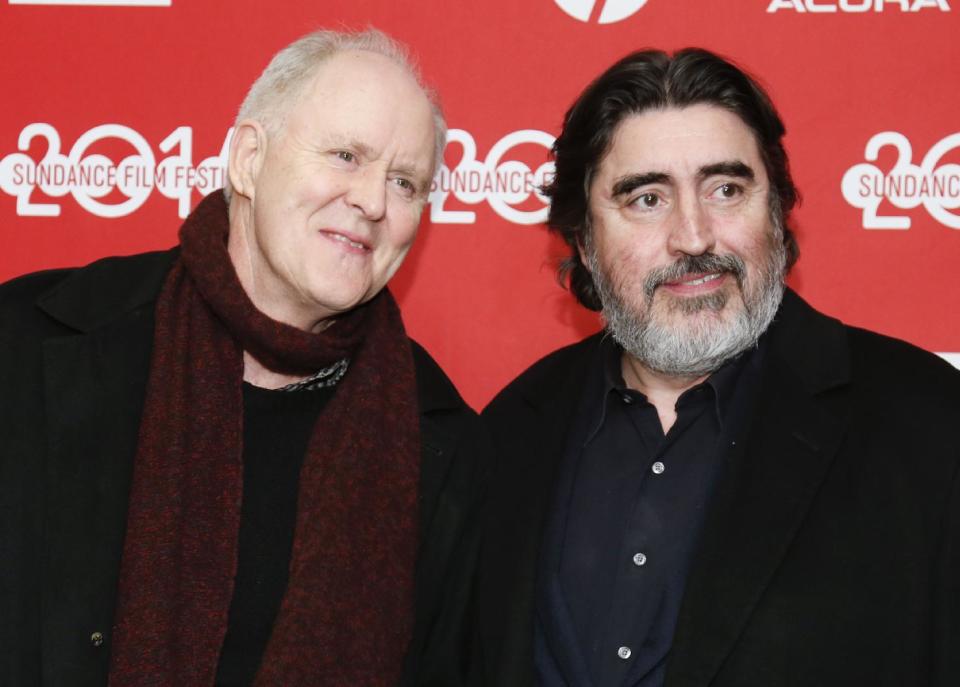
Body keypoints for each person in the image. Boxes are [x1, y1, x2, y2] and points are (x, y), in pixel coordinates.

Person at [0, 28, 484, 687]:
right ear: (249, 159)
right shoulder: (27, 343)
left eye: (405, 182)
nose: (373, 202)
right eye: (345, 155)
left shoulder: (444, 445)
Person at [477, 48, 959, 687]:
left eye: (726, 190)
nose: (695, 236)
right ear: (585, 245)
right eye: (647, 199)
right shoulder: (513, 426)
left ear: (778, 213)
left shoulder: (928, 423)